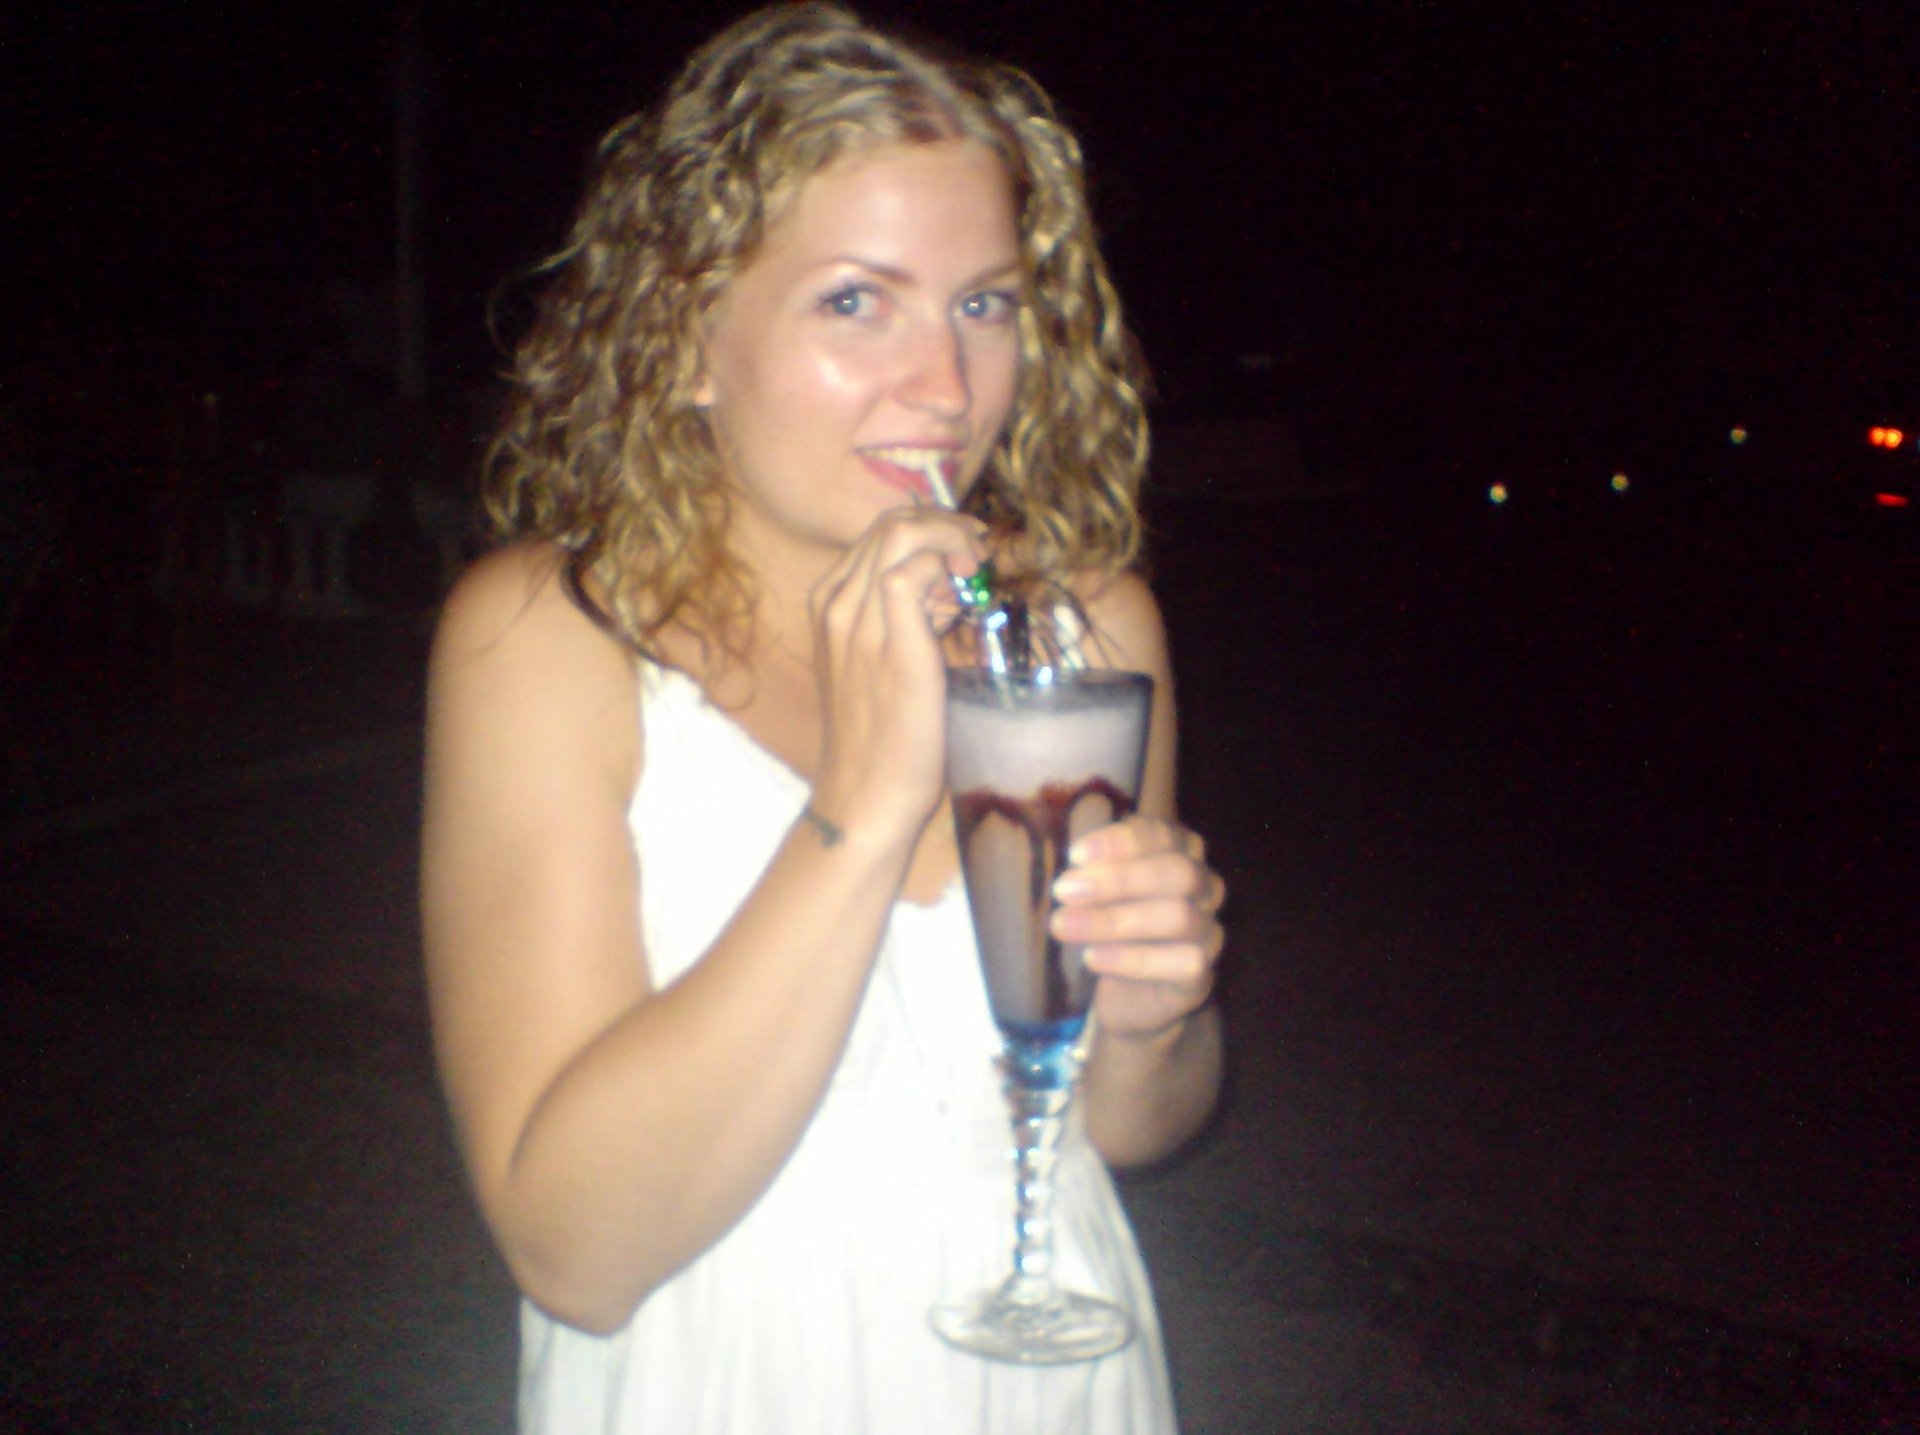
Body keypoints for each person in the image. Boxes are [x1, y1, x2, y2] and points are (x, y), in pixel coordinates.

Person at [421, 6, 1227, 1430]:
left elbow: (1130, 1129)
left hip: (1053, 1384)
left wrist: (1161, 1018)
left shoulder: (1089, 631)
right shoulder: (550, 641)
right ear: (684, 339)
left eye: (984, 304)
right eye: (856, 302)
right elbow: (575, 1252)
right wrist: (863, 804)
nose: (948, 388)